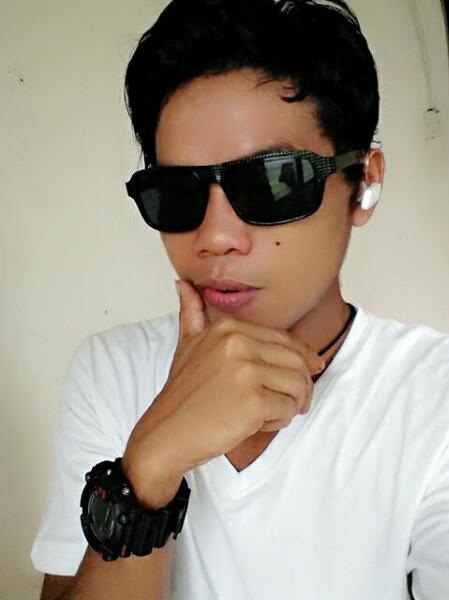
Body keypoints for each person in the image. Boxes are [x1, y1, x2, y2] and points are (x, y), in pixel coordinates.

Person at [31, 1, 449, 599]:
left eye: (274, 182)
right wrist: (148, 469)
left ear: (364, 183)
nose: (216, 237)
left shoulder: (433, 395)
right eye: (177, 192)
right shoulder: (113, 371)